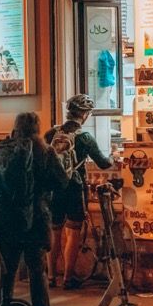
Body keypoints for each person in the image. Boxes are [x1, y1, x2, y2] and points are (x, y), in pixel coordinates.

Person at [0, 111, 69, 306]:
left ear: (16, 127)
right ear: (37, 128)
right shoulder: (45, 151)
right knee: (36, 270)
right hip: (35, 219)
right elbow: (62, 182)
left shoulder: (1, 151)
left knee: (6, 270)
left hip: (6, 218)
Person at [44, 94, 115, 289]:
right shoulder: (85, 137)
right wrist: (114, 155)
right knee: (73, 232)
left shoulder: (51, 134)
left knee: (54, 231)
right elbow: (103, 163)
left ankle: (50, 277)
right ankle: (68, 278)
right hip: (74, 188)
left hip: (53, 189)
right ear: (84, 114)